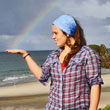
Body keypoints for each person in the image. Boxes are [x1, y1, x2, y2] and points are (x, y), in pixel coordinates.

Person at [6, 14, 104, 110]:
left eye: (56, 33)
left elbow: (95, 84)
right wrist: (25, 55)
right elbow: (42, 76)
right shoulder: (53, 55)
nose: (53, 37)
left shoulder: (88, 54)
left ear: (67, 33)